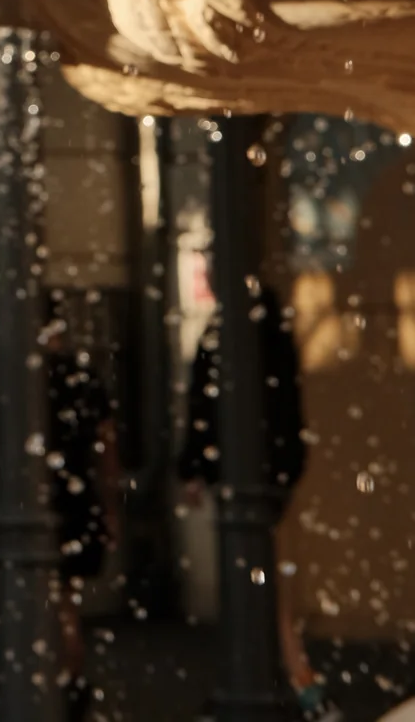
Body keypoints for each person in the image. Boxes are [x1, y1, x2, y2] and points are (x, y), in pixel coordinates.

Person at [179, 282, 339, 722]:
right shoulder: (268, 336)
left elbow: (203, 405)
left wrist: (194, 466)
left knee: (257, 586)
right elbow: (285, 409)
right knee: (260, 582)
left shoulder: (226, 337)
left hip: (244, 476)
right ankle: (291, 682)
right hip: (264, 476)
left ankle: (297, 683)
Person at [43, 302, 121, 720]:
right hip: (77, 495)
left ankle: (66, 679)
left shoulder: (31, 384)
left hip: (46, 499)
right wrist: (110, 508)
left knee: (56, 601)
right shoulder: (84, 380)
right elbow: (106, 447)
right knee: (66, 598)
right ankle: (72, 679)